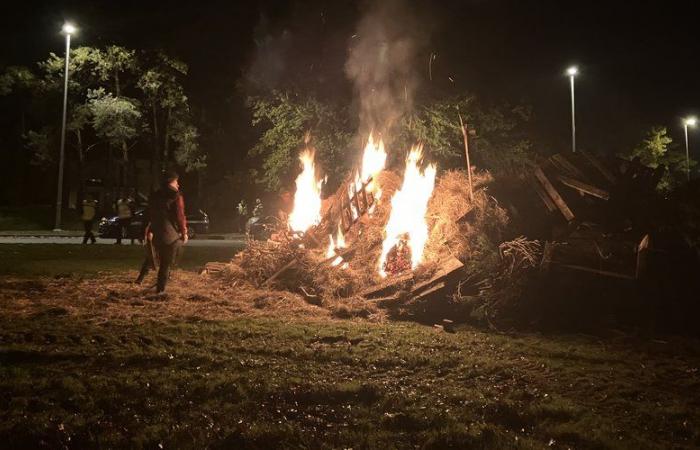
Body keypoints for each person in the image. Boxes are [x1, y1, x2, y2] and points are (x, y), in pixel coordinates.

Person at [138, 170, 188, 293]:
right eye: (176, 182)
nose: (178, 185)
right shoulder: (176, 195)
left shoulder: (154, 195)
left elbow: (147, 215)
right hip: (169, 235)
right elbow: (179, 215)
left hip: (157, 233)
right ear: (171, 182)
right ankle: (160, 291)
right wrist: (184, 231)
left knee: (161, 259)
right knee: (166, 263)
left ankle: (151, 281)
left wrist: (144, 231)